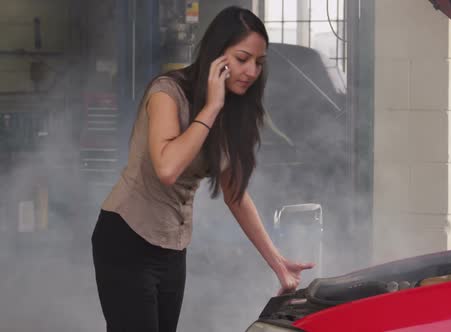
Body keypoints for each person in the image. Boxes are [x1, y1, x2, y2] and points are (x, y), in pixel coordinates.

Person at [91, 6, 314, 332]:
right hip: (126, 238)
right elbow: (167, 168)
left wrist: (277, 262)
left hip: (171, 250)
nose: (251, 71)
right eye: (242, 59)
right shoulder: (167, 92)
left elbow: (235, 193)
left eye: (258, 63)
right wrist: (211, 107)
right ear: (217, 55)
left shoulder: (231, 107)